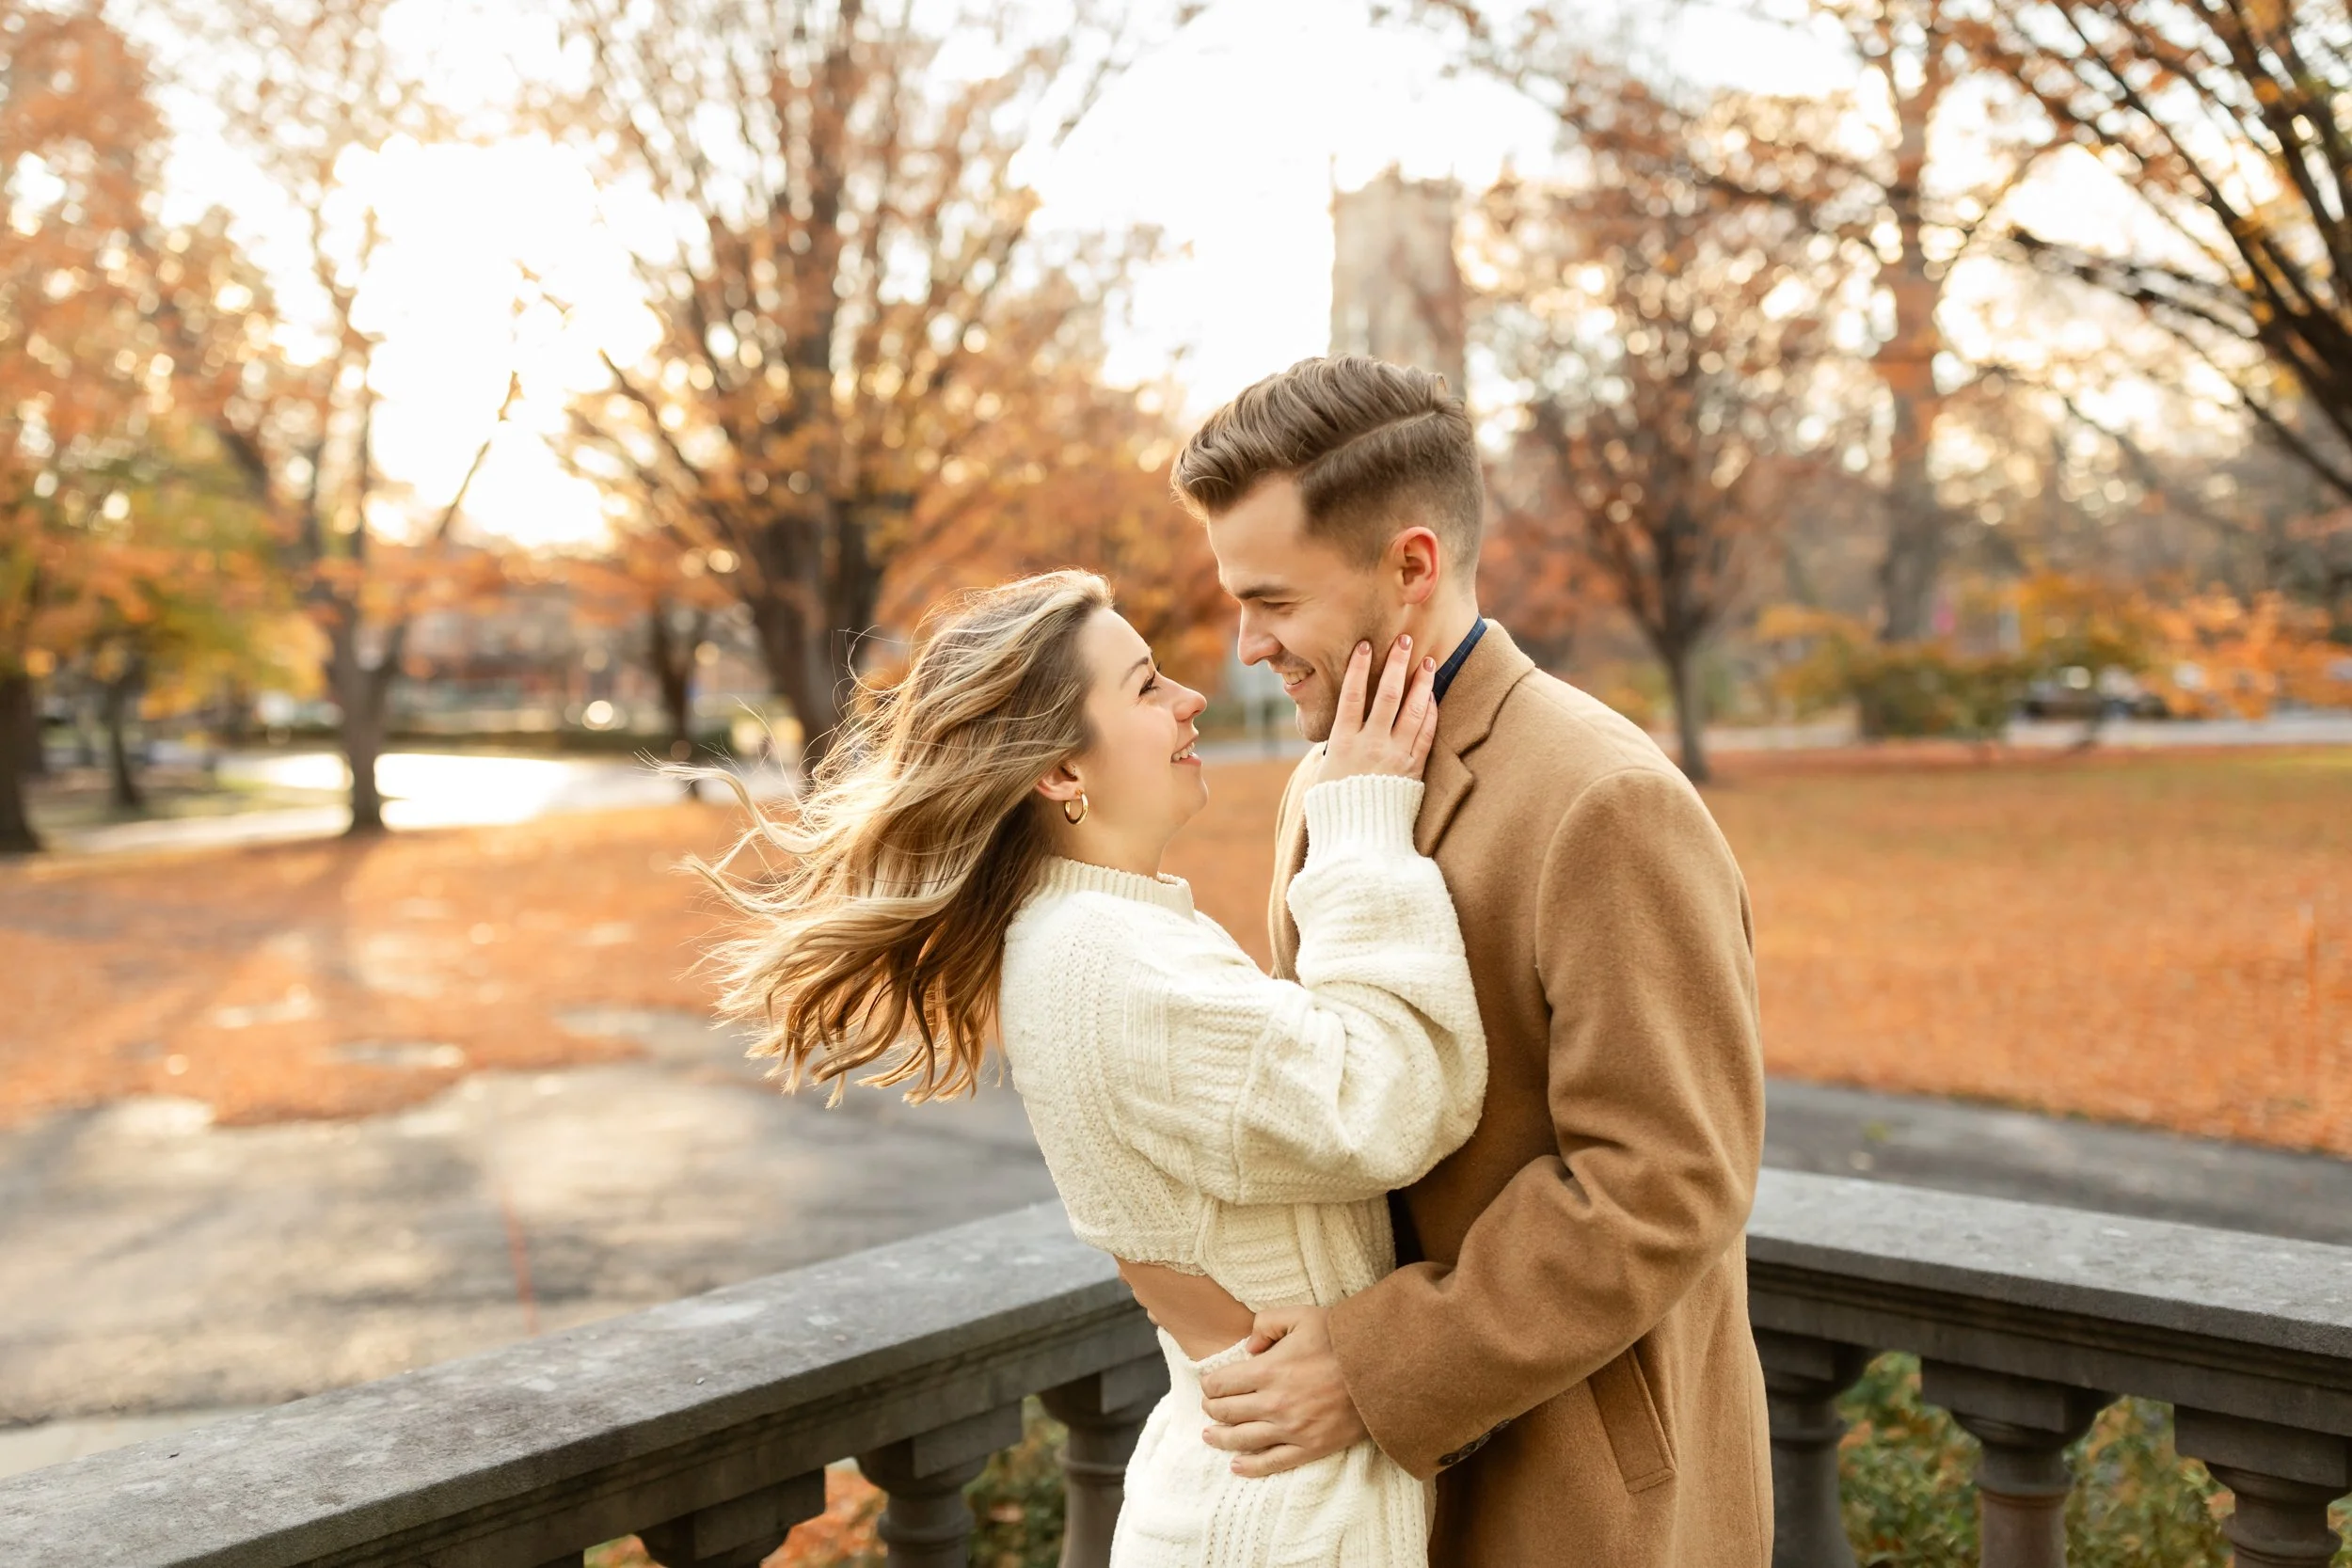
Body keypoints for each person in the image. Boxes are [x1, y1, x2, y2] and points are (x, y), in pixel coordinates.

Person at [694, 569, 1487, 1566]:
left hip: (1264, 1482)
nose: (1191, 699)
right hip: (1284, 1519)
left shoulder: (1098, 933)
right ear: (1062, 772)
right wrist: (1364, 821)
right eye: (1148, 686)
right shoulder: (1110, 961)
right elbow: (1393, 1099)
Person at [1132, 356, 1772, 1565]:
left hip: (1579, 1496)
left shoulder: (1606, 798)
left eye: (1271, 599)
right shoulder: (1324, 786)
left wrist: (1376, 1361)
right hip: (1372, 1501)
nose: (1248, 644)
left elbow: (1665, 1179)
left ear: (1410, 567)